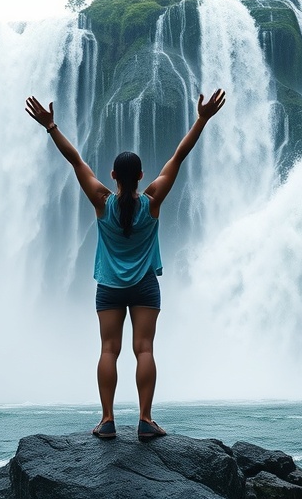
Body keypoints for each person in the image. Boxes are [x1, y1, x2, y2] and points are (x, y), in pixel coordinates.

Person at [25, 89, 226, 440]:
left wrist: (51, 126)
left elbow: (75, 161)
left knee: (108, 350)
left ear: (114, 174)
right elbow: (180, 155)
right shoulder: (153, 201)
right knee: (144, 349)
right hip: (146, 284)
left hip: (110, 287)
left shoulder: (102, 202)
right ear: (142, 175)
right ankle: (146, 420)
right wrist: (202, 119)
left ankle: (107, 420)